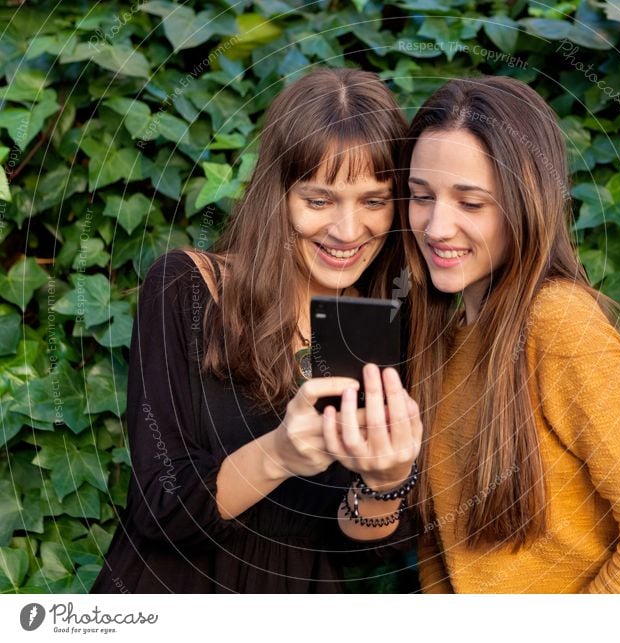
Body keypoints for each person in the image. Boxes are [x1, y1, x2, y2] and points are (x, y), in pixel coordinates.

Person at [91, 67, 421, 593]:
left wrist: (383, 484)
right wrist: (279, 455)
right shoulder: (188, 289)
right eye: (319, 200)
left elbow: (366, 546)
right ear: (278, 195)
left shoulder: (387, 325)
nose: (348, 230)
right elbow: (160, 506)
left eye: (374, 202)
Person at [400, 76, 620, 593]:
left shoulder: (559, 324)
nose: (435, 226)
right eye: (421, 196)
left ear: (527, 202)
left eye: (471, 203)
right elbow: (444, 550)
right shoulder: (442, 337)